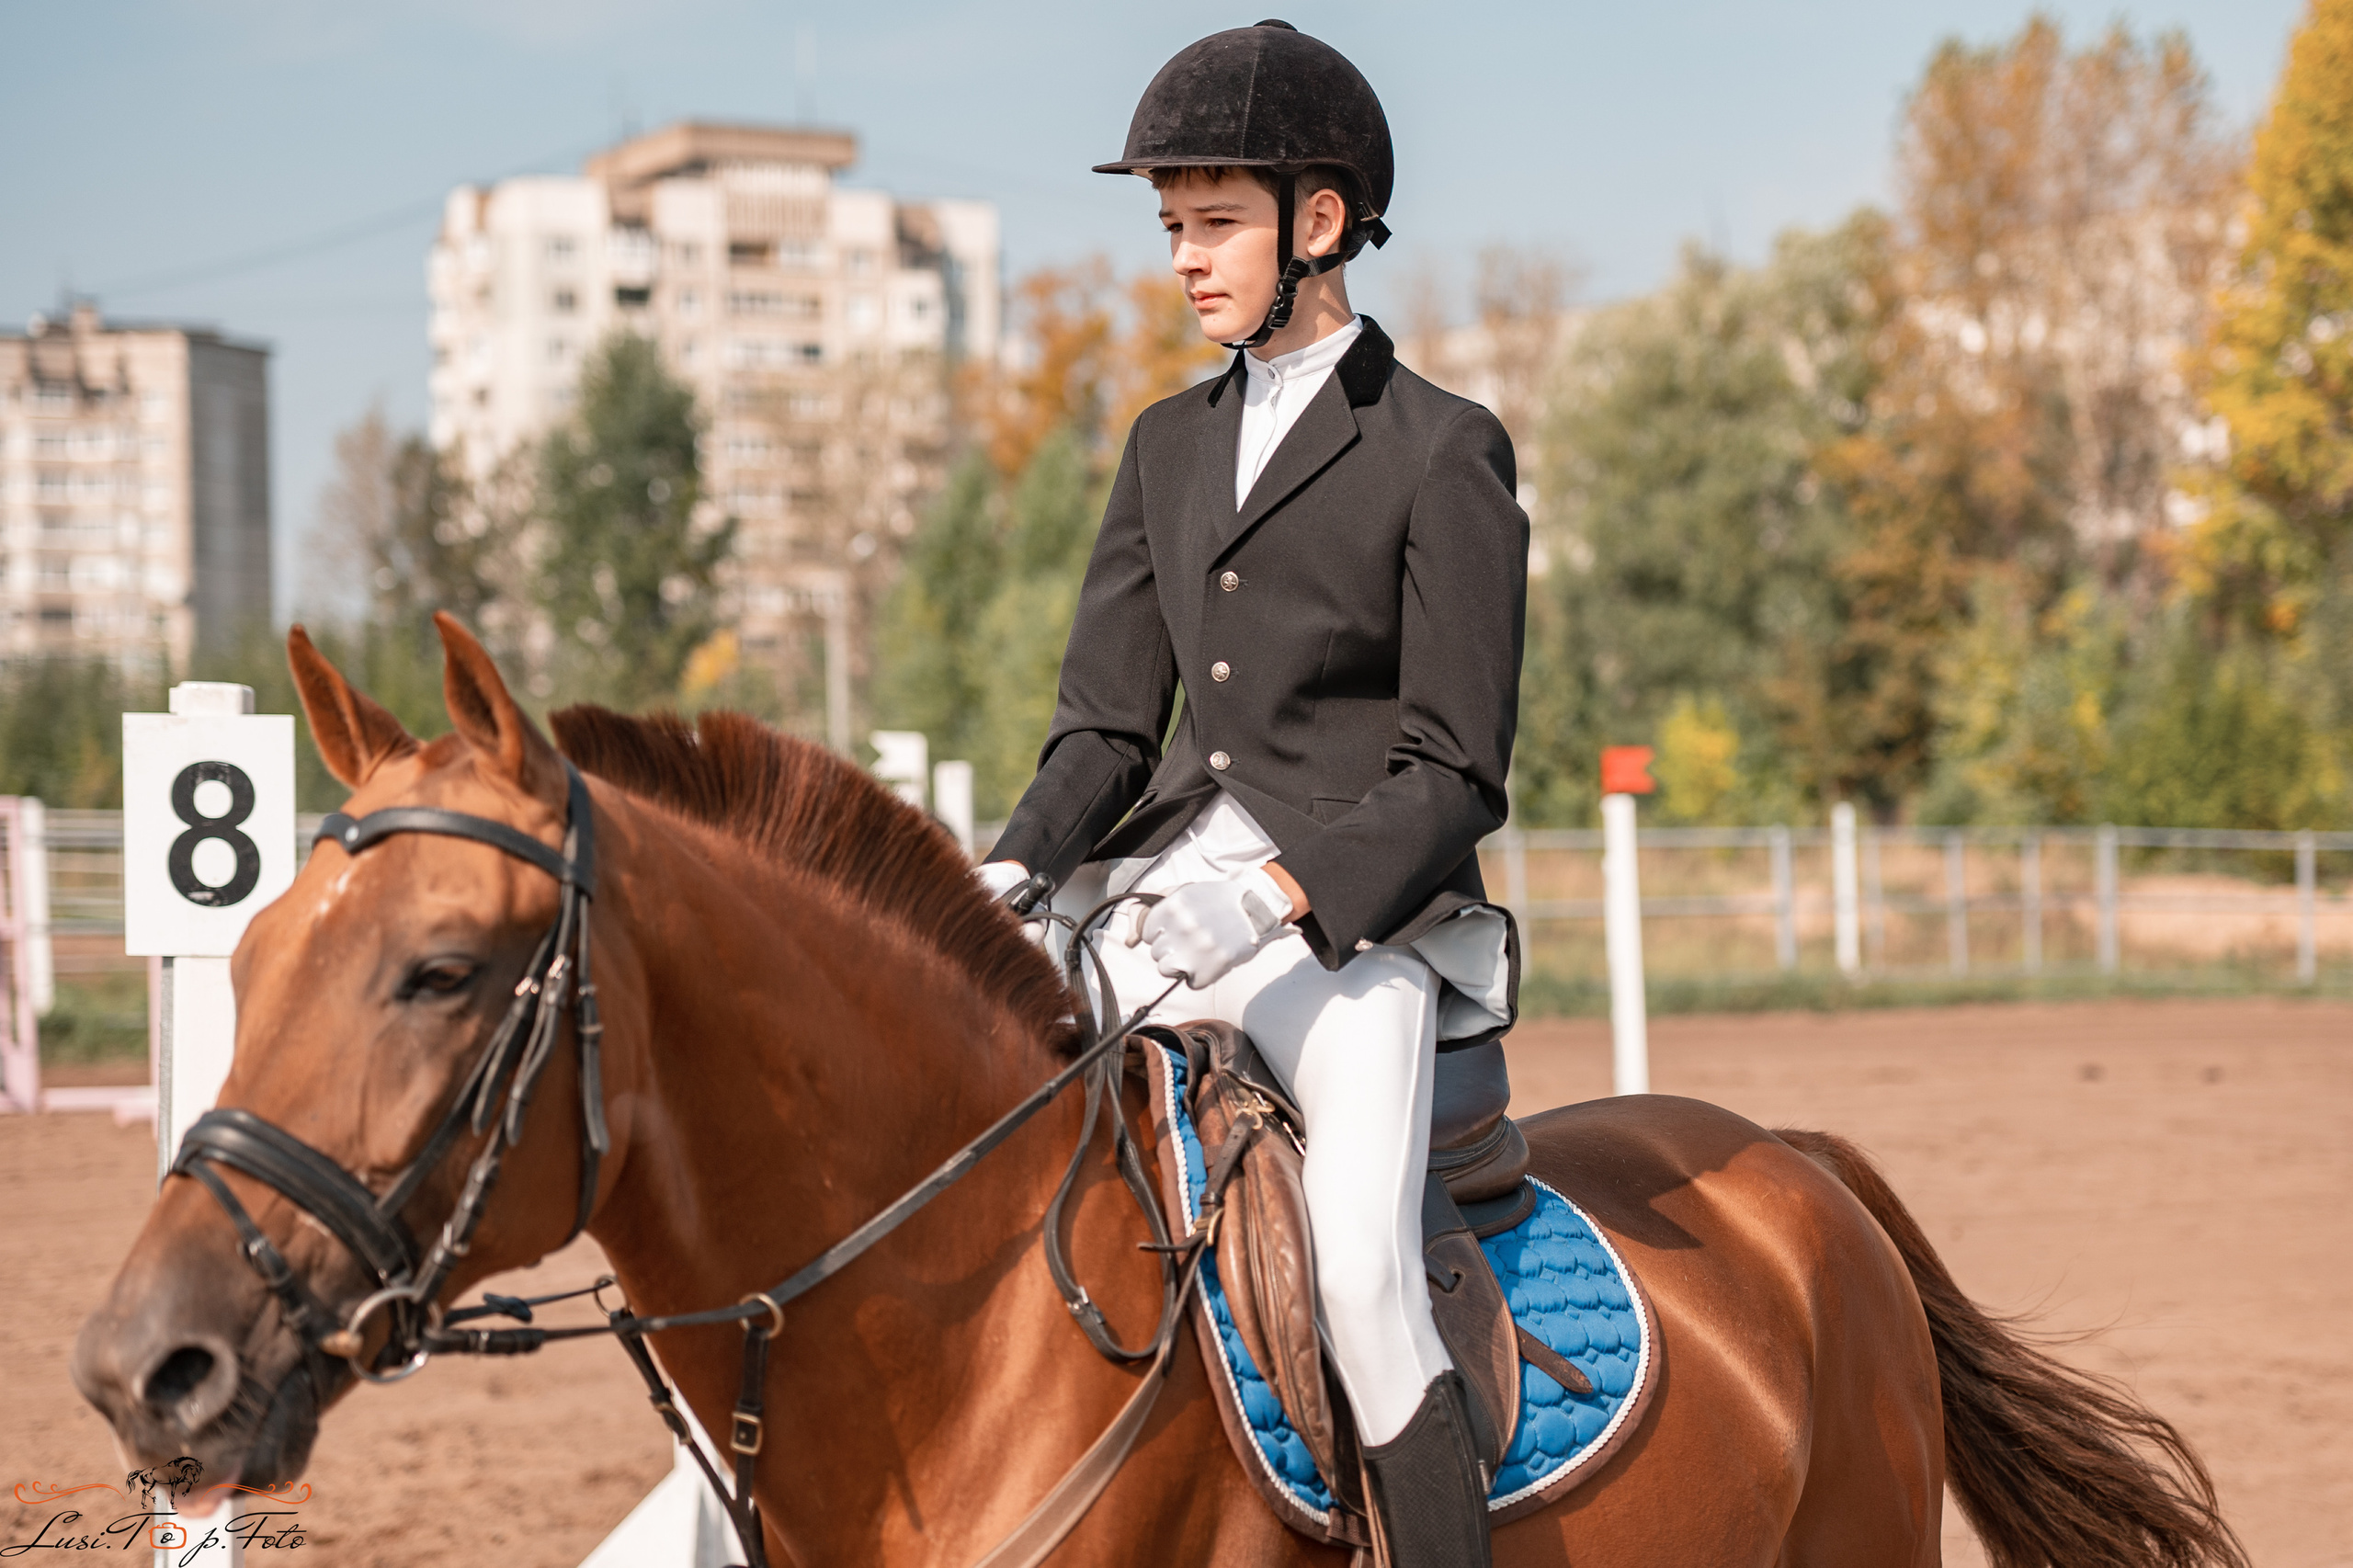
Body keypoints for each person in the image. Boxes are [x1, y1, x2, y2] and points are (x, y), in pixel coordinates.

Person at [976, 21, 1527, 1564]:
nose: (1182, 259)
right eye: (1170, 227)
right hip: (1158, 902)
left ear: (1321, 223)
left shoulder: (1441, 452)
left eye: (1214, 223)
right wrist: (1004, 875)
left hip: (1357, 933)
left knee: (1355, 1269)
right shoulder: (1165, 445)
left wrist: (1285, 893)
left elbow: (1458, 769)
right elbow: (1101, 729)